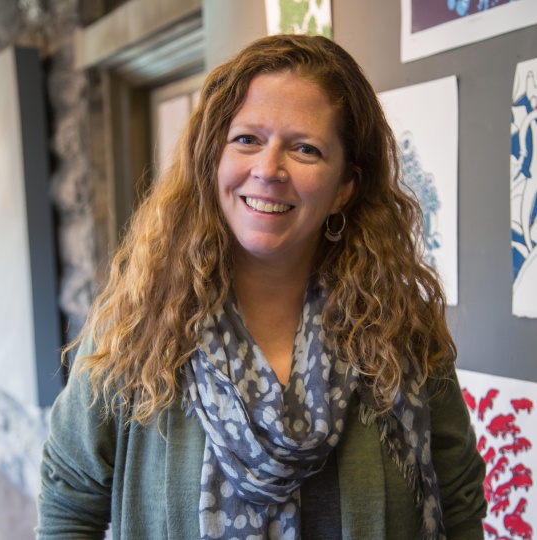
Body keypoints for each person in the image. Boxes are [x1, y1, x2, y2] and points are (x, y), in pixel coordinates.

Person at [36, 34, 486, 539]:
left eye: (305, 149)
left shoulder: (401, 328)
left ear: (344, 188)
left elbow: (459, 499)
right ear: (212, 160)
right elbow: (69, 501)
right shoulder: (136, 325)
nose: (268, 170)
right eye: (247, 139)